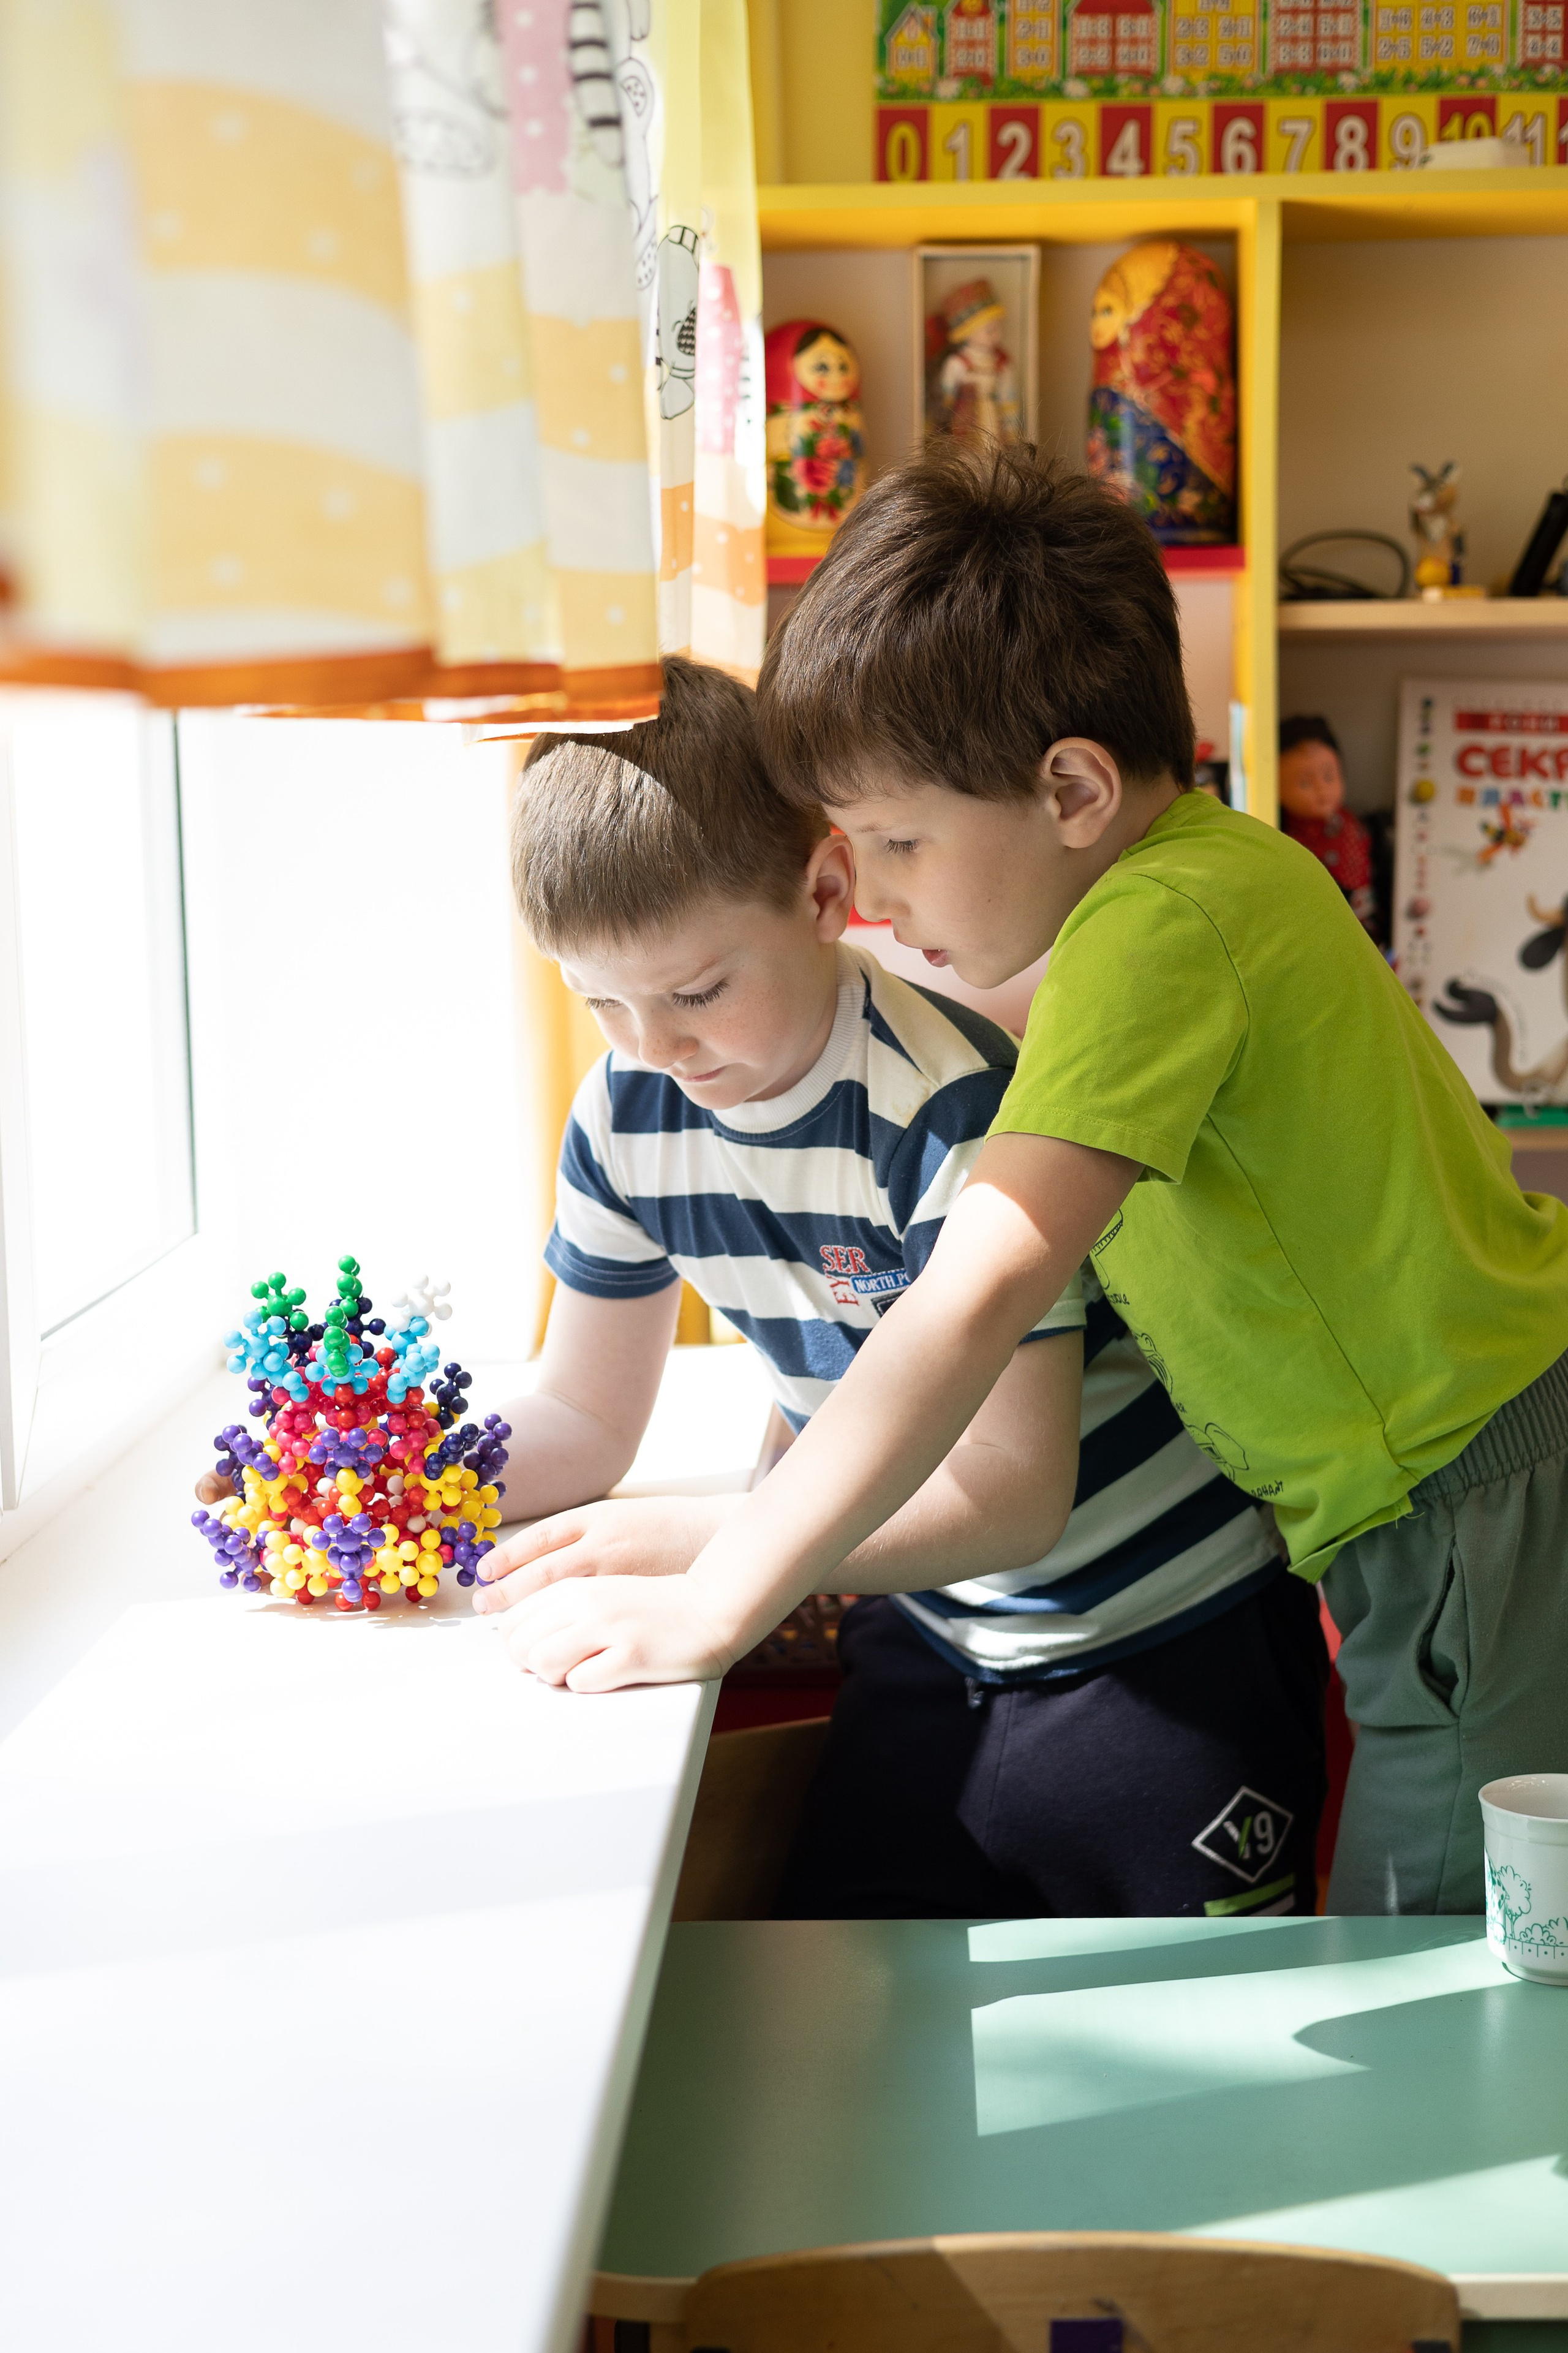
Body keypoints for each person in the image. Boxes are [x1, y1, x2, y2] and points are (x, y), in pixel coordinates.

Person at [502, 450, 1568, 1922]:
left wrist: (723, 1586)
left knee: (1442, 1943)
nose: (869, 897)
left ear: (1067, 786)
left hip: (1468, 1496)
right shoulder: (1192, 888)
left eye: (895, 839)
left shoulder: (1157, 931)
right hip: (1440, 1487)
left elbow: (976, 1283)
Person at [482, 654, 1325, 1918]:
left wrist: (709, 1547)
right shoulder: (625, 1110)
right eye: (595, 998)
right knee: (853, 1991)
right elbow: (586, 1417)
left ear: (825, 887)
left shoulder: (945, 1103)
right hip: (929, 1635)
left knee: (1193, 2031)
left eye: (695, 990)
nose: (651, 1047)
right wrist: (391, 1487)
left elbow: (1007, 1498)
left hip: (1151, 1636)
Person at [1278, 714, 1379, 939]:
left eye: (1328, 777)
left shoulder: (1354, 824)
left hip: (1365, 923)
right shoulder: (1285, 840)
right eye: (1305, 783)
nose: (1322, 791)